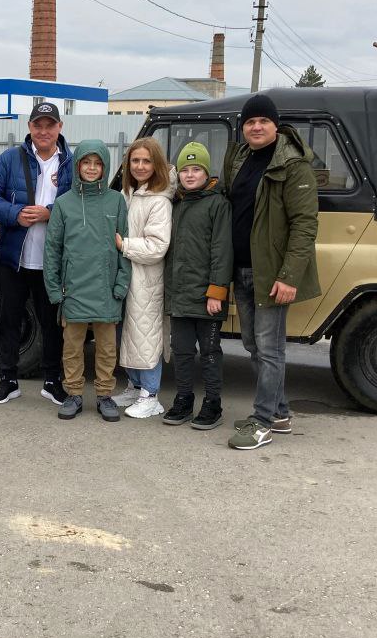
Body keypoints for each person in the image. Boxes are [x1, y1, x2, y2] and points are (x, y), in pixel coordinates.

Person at [222, 94, 320, 451]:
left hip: (271, 273)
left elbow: (305, 225)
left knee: (269, 349)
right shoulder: (241, 158)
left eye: (263, 120)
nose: (256, 127)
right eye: (250, 122)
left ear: (276, 125)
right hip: (243, 268)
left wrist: (289, 276)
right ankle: (278, 413)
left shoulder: (293, 165)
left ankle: (262, 422)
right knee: (253, 345)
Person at [0, 102, 73, 406]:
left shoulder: (71, 163)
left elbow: (82, 201)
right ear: (30, 127)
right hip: (14, 258)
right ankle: (8, 381)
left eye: (49, 125)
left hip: (53, 261)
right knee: (9, 320)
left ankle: (52, 381)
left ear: (59, 127)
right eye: (38, 125)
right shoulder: (10, 159)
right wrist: (14, 214)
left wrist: (51, 213)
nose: (43, 131)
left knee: (52, 324)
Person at [43, 140, 131, 422]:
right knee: (72, 347)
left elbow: (125, 246)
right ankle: (74, 393)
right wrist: (55, 290)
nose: (91, 168)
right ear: (77, 165)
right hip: (74, 290)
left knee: (107, 349)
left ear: (105, 167)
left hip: (106, 289)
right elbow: (52, 250)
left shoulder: (116, 201)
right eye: (86, 162)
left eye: (97, 163)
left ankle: (105, 395)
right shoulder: (64, 203)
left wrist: (121, 285)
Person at [162, 142, 233, 430]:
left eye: (196, 169)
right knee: (181, 350)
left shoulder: (218, 204)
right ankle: (184, 399)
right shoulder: (176, 204)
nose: (190, 175)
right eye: (185, 170)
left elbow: (221, 250)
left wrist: (216, 291)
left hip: (207, 296)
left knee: (210, 351)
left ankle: (213, 403)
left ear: (207, 173)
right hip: (180, 294)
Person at [112, 138, 174, 420]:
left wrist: (123, 245)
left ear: (157, 164)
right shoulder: (129, 194)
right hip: (127, 276)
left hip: (146, 280)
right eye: (135, 160)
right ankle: (135, 386)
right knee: (127, 335)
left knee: (145, 337)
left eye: (146, 161)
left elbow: (157, 247)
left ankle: (150, 395)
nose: (139, 166)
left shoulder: (159, 200)